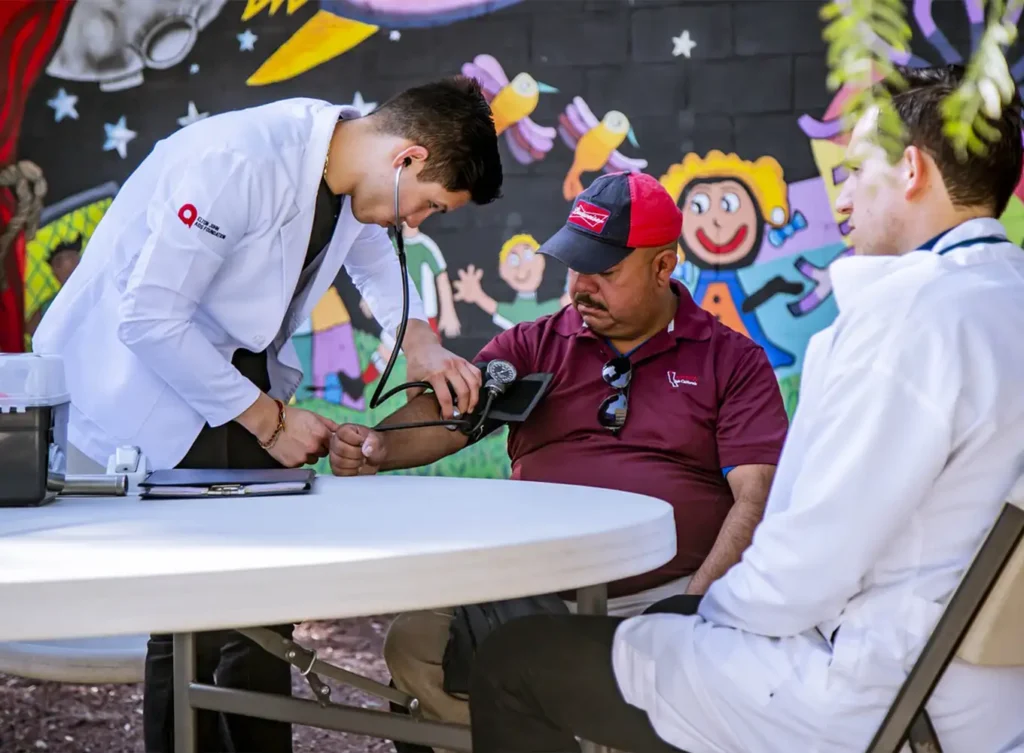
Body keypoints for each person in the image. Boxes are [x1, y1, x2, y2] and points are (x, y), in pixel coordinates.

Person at [464, 64, 1024, 753]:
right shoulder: (1006, 300)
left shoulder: (906, 319)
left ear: (910, 170)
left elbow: (805, 567)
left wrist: (699, 614)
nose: (840, 193)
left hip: (882, 695)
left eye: (852, 170)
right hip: (994, 700)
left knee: (514, 661)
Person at [32, 76, 502, 753]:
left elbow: (371, 260)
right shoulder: (238, 161)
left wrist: (421, 341)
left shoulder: (347, 177)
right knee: (192, 616)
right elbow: (150, 318)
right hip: (151, 377)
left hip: (227, 373)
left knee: (267, 609)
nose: (417, 224)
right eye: (429, 205)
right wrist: (270, 420)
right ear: (408, 159)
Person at [329, 171, 790, 744]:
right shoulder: (534, 343)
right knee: (413, 647)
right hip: (529, 584)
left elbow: (759, 494)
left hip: (663, 592)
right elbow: (454, 416)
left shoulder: (733, 361)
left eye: (605, 272)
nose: (581, 287)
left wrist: (696, 604)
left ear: (663, 268)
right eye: (575, 265)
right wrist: (378, 445)